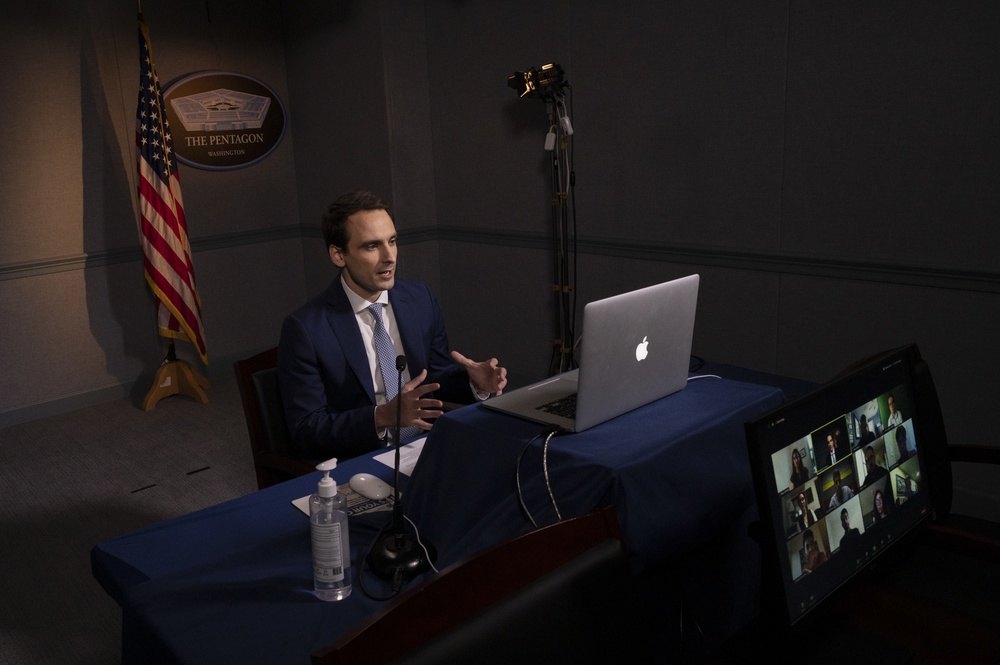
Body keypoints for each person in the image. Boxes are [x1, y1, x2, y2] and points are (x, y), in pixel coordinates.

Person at [278, 191, 508, 460]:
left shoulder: (420, 298)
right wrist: (382, 416)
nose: (389, 257)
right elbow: (306, 431)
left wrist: (474, 383)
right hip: (362, 458)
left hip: (427, 444)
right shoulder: (305, 329)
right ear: (339, 255)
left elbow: (434, 380)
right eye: (371, 246)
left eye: (392, 241)